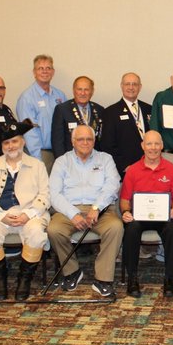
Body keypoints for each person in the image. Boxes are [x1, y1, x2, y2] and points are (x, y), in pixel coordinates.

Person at [0, 121, 49, 301]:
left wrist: (28, 214)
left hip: (30, 213)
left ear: (23, 142)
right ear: (2, 146)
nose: (11, 146)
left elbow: (45, 195)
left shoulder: (37, 165)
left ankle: (24, 278)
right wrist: (1, 216)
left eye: (14, 141)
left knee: (36, 234)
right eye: (6, 143)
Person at [47, 125, 123, 297]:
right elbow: (54, 193)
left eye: (89, 139)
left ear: (94, 141)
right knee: (54, 229)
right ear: (73, 141)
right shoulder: (62, 161)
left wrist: (96, 207)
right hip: (68, 211)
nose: (85, 143)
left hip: (100, 210)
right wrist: (72, 214)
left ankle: (103, 278)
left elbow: (113, 184)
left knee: (115, 227)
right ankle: (72, 271)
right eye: (80, 139)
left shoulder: (105, 159)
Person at [119, 131, 173, 299]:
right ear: (143, 146)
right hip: (139, 216)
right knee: (131, 230)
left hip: (164, 216)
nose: (153, 148)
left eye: (156, 144)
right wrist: (126, 212)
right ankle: (132, 278)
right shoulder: (132, 170)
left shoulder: (171, 168)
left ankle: (169, 279)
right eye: (149, 144)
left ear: (162, 146)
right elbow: (125, 199)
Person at [16, 54, 67, 172]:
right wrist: (37, 159)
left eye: (48, 68)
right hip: (41, 154)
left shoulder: (60, 95)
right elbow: (29, 130)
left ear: (53, 72)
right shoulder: (27, 98)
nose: (45, 71)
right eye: (40, 68)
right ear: (34, 72)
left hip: (60, 153)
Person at [100, 72, 152, 179]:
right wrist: (123, 166)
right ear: (121, 86)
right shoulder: (110, 112)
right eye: (127, 84)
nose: (131, 87)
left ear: (140, 87)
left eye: (135, 84)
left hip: (149, 167)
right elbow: (107, 145)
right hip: (125, 171)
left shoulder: (149, 109)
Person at [51, 76, 105, 158]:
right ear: (74, 90)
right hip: (71, 160)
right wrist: (62, 162)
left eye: (86, 90)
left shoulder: (99, 110)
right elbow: (57, 142)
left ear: (92, 91)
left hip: (94, 160)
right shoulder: (62, 109)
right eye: (79, 89)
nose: (83, 93)